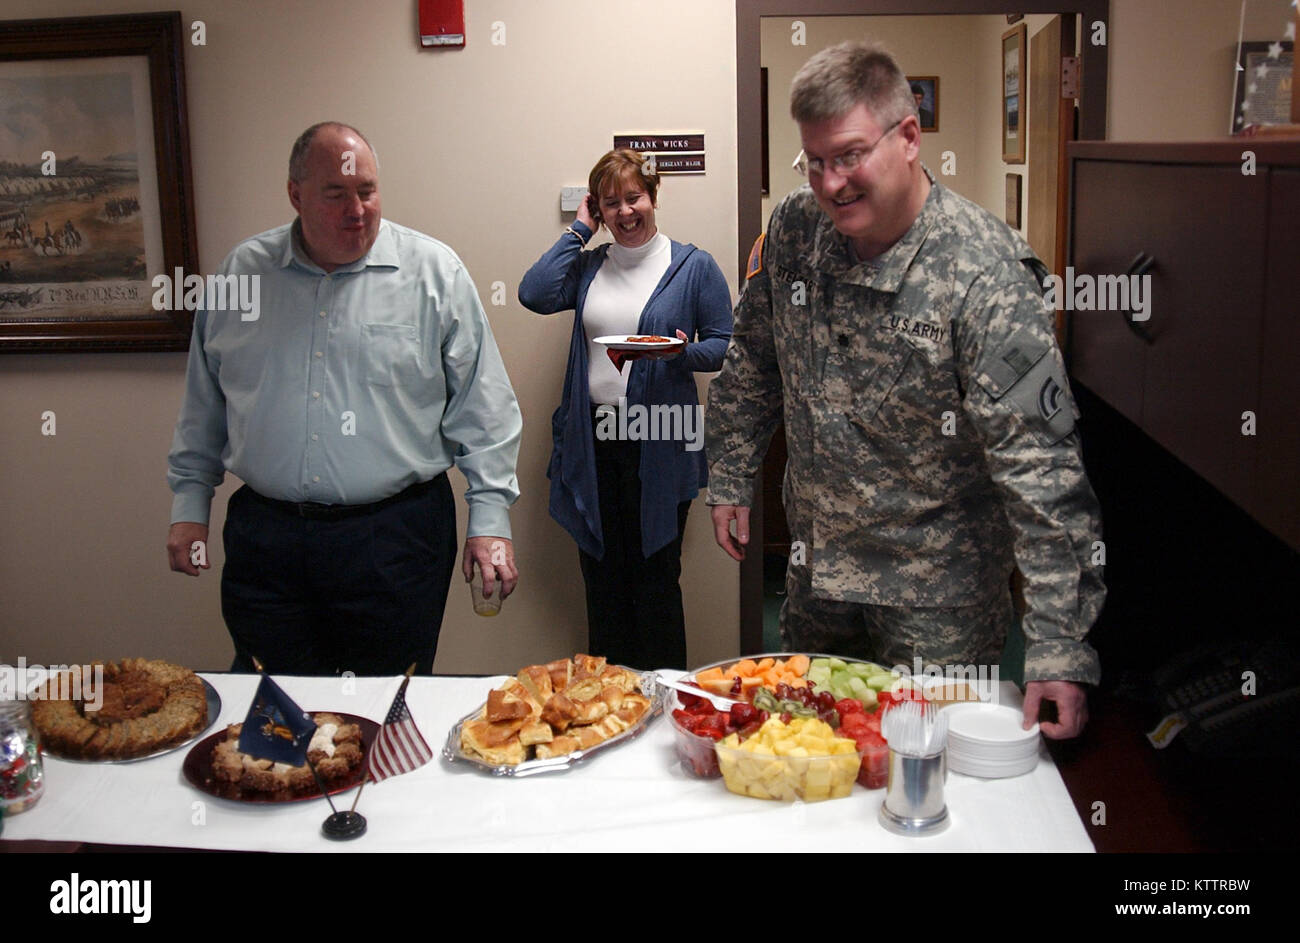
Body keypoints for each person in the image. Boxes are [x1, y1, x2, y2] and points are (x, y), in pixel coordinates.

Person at [706, 42, 1105, 738]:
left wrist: (1059, 644)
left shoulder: (985, 273)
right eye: (816, 161)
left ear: (910, 136)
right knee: (807, 762)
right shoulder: (797, 233)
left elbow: (1041, 470)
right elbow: (752, 361)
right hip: (817, 577)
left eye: (851, 155)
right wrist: (731, 472)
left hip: (940, 605)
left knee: (930, 788)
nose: (832, 183)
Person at [166, 121, 522, 676]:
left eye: (367, 191)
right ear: (295, 195)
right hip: (269, 541)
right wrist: (189, 507)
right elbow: (204, 406)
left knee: (386, 710)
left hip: (395, 539)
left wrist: (490, 519)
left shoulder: (434, 274)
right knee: (273, 715)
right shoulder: (242, 278)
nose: (357, 210)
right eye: (336, 195)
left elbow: (486, 409)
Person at [518, 149, 732, 669]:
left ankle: (663, 708)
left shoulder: (693, 266)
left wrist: (682, 353)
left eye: (634, 197)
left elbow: (726, 343)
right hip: (594, 439)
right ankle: (609, 705)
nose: (625, 211)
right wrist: (578, 230)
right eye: (610, 203)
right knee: (602, 576)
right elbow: (533, 293)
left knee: (655, 577)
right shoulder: (591, 264)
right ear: (600, 210)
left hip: (659, 435)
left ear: (654, 197)